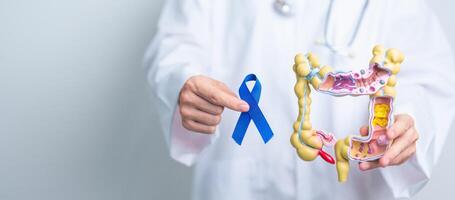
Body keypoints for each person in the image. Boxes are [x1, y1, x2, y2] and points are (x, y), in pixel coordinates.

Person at [144, 0, 455, 199]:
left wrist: (411, 120)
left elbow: (428, 75)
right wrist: (183, 83)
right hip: (239, 183)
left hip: (352, 187)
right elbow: (176, 45)